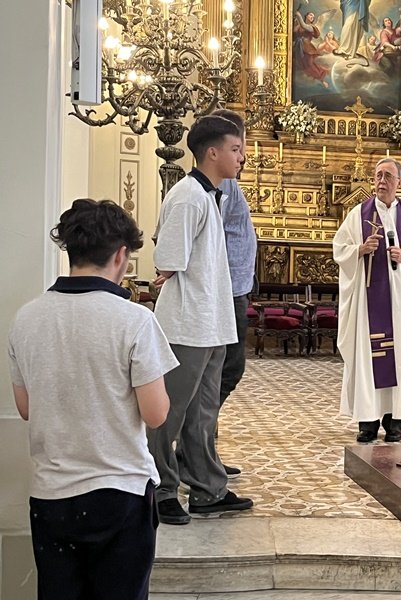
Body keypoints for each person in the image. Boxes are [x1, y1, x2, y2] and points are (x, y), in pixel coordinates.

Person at [7, 199, 178, 600]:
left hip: (52, 494)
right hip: (120, 493)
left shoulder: (26, 317)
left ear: (71, 250)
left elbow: (26, 409)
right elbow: (156, 415)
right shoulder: (135, 320)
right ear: (121, 255)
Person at [149, 115, 253, 524]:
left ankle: (208, 489)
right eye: (235, 149)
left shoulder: (211, 196)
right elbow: (167, 259)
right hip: (187, 323)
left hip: (211, 322)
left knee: (203, 413)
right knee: (170, 413)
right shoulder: (189, 197)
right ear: (212, 152)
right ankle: (160, 489)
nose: (241, 157)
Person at [333, 158, 401, 443]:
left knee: (400, 355)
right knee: (368, 357)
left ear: (399, 182)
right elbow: (339, 248)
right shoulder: (358, 215)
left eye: (388, 176)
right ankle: (368, 421)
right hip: (370, 302)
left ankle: (395, 421)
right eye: (378, 175)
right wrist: (360, 249)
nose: (381, 181)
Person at [213, 108, 257, 478]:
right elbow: (213, 232)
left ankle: (200, 448)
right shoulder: (223, 185)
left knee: (224, 370)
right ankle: (197, 449)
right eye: (238, 147)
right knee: (225, 369)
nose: (243, 156)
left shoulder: (229, 185)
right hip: (225, 291)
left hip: (233, 287)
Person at [293, 11, 330, 88]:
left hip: (307, 48)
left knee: (310, 64)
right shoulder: (299, 26)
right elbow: (294, 33)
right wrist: (294, 21)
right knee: (300, 65)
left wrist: (299, 16)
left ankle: (322, 80)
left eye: (313, 17)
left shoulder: (312, 27)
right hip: (298, 47)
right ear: (306, 16)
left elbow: (304, 26)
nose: (312, 17)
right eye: (310, 15)